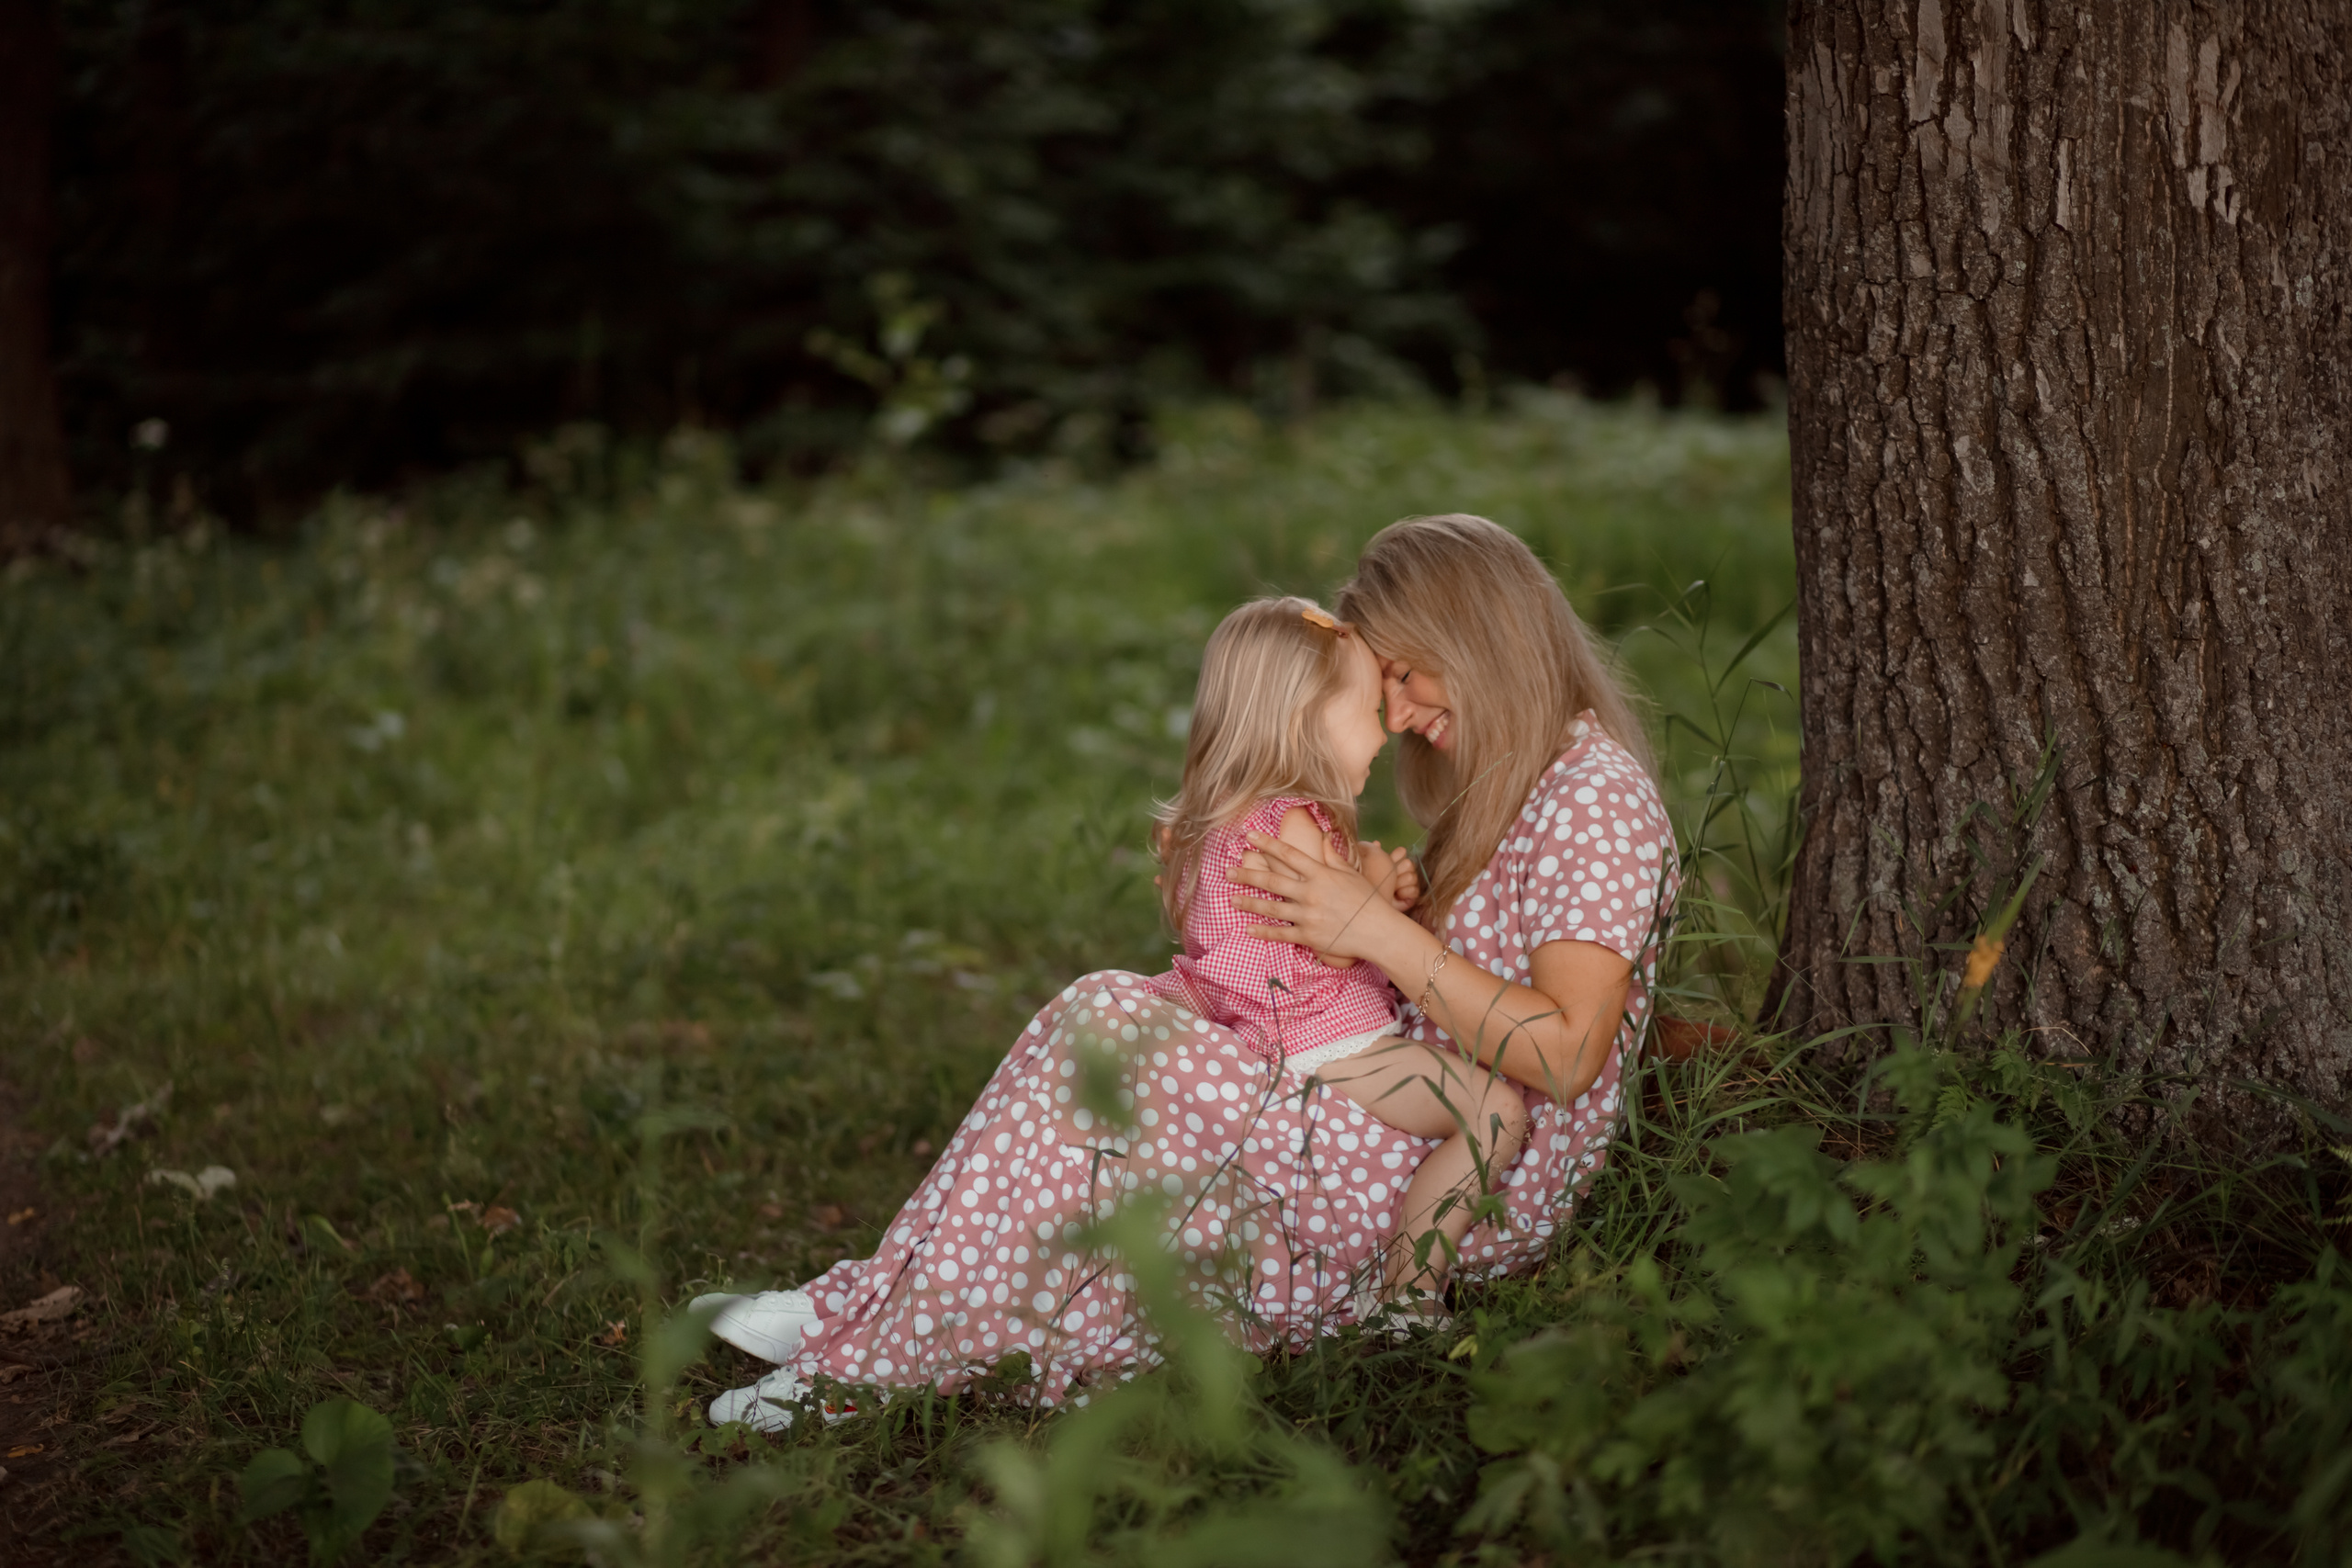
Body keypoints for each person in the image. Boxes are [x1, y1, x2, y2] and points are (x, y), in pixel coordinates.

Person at [701, 513, 1676, 1431]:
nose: (1400, 709)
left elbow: (1562, 1058)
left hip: (1463, 1170)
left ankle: (864, 1366)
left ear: (1484, 646)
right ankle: (872, 1303)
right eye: (1387, 683)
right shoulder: (1519, 779)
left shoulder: (1592, 802)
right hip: (1388, 1098)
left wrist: (1375, 928)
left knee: (1104, 1048)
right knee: (1100, 1023)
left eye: (1413, 676)